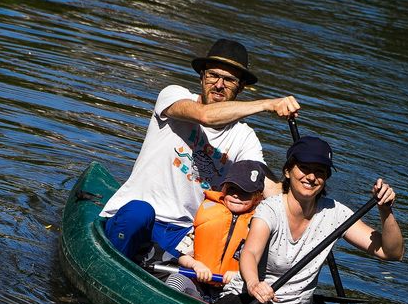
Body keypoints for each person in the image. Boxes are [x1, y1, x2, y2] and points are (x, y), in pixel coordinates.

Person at [100, 38, 300, 261]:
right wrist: (267, 104)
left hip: (184, 232)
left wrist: (305, 195)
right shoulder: (173, 95)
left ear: (241, 87)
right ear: (202, 76)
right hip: (138, 217)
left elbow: (266, 186)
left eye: (229, 80)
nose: (218, 85)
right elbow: (206, 116)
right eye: (213, 75)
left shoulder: (244, 137)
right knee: (139, 212)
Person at [214, 136, 404, 304]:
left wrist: (386, 211)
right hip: (249, 300)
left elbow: (391, 252)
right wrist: (254, 284)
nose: (311, 177)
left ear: (326, 178)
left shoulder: (335, 214)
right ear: (288, 171)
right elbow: (250, 253)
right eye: (304, 168)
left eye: (320, 171)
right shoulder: (270, 209)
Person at [165, 160, 267, 303]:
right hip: (198, 285)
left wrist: (239, 275)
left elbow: (265, 269)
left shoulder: (261, 224)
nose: (236, 195)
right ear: (224, 189)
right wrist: (196, 265)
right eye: (232, 189)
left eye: (245, 193)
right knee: (175, 281)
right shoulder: (209, 214)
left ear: (258, 198)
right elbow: (183, 256)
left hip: (233, 291)